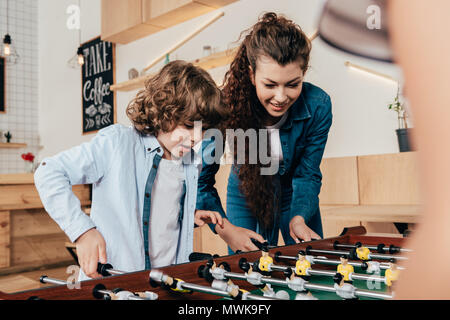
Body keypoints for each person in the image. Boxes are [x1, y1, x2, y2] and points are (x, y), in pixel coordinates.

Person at [34, 60, 226, 280]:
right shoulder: (118, 143)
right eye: (190, 126)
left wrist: (187, 216)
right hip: (115, 284)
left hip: (164, 282)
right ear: (164, 111)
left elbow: (159, 209)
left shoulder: (190, 162)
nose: (197, 137)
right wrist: (83, 232)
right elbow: (48, 172)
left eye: (203, 130)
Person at [196, 12, 333, 253]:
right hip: (245, 191)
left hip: (295, 193)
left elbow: (308, 173)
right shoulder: (224, 105)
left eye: (293, 84)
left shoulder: (319, 104)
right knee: (246, 272)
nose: (281, 97)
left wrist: (299, 217)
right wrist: (227, 231)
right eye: (270, 85)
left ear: (304, 74)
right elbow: (201, 180)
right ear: (251, 75)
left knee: (311, 261)